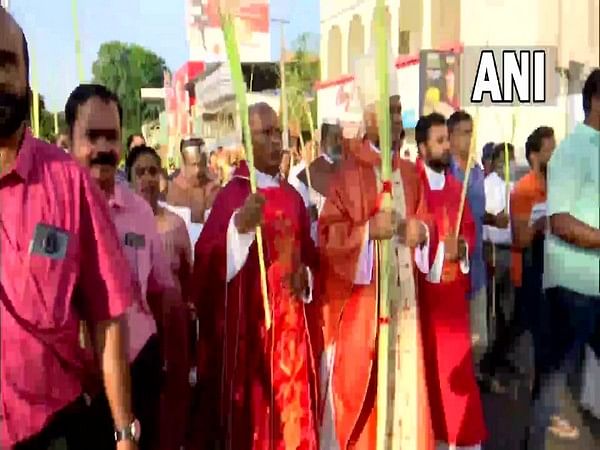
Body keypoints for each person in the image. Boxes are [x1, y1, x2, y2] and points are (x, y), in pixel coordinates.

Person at [0, 10, 137, 450]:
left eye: (6, 63)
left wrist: (124, 432)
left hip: (53, 429)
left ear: (26, 77)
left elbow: (107, 318)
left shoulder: (67, 182)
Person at [189, 103, 319, 450]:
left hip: (292, 339)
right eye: (267, 133)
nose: (277, 142)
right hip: (253, 339)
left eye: (279, 133)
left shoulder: (293, 196)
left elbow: (309, 256)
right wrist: (238, 229)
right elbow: (205, 265)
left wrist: (306, 278)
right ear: (247, 141)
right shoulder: (232, 195)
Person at [317, 95, 435, 450]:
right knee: (368, 403)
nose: (398, 119)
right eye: (390, 111)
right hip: (366, 312)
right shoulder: (348, 174)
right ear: (370, 118)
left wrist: (423, 232)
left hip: (406, 310)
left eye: (400, 112)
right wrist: (367, 231)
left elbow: (426, 217)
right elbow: (327, 236)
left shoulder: (411, 172)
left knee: (406, 396)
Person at [66, 83, 177, 450]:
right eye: (91, 136)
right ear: (68, 140)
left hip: (137, 369)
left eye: (111, 137)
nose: (102, 149)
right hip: (79, 383)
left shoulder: (140, 212)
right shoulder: (54, 212)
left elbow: (160, 289)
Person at [525, 69, 600, 450]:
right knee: (555, 387)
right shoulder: (572, 150)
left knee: (561, 385)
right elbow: (561, 221)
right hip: (572, 288)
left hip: (594, 285)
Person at [415, 113, 487, 449]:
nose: (446, 147)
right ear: (422, 147)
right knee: (426, 380)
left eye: (448, 140)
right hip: (422, 304)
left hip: (453, 303)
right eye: (439, 141)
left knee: (457, 379)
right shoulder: (412, 186)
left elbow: (469, 232)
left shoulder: (457, 188)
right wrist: (437, 250)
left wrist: (463, 247)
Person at [125, 145, 193, 450]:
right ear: (128, 179)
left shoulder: (177, 225)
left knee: (172, 412)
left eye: (154, 171)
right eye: (140, 172)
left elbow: (190, 281)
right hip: (136, 342)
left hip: (173, 335)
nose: (148, 179)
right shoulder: (119, 224)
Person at [447, 111, 509, 363]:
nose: (470, 138)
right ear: (450, 137)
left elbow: (476, 212)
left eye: (472, 132)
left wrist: (494, 219)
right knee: (458, 340)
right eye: (465, 132)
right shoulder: (445, 171)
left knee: (480, 340)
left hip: (477, 266)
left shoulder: (475, 171)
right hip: (452, 267)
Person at [165, 137, 220, 249]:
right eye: (193, 165)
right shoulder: (171, 190)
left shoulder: (215, 188)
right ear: (184, 164)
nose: (198, 170)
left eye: (202, 164)